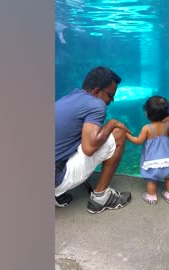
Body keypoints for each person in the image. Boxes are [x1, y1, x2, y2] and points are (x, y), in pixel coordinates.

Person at [55, 66, 132, 214]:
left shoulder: (68, 98)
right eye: (110, 95)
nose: (112, 100)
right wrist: (111, 123)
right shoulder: (96, 104)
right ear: (97, 91)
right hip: (55, 178)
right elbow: (88, 149)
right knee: (118, 133)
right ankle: (101, 198)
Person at [125, 96, 169, 205]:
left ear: (147, 113)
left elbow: (138, 141)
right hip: (167, 160)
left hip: (152, 161)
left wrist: (127, 135)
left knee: (151, 180)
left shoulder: (147, 128)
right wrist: (168, 123)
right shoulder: (167, 125)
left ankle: (151, 197)